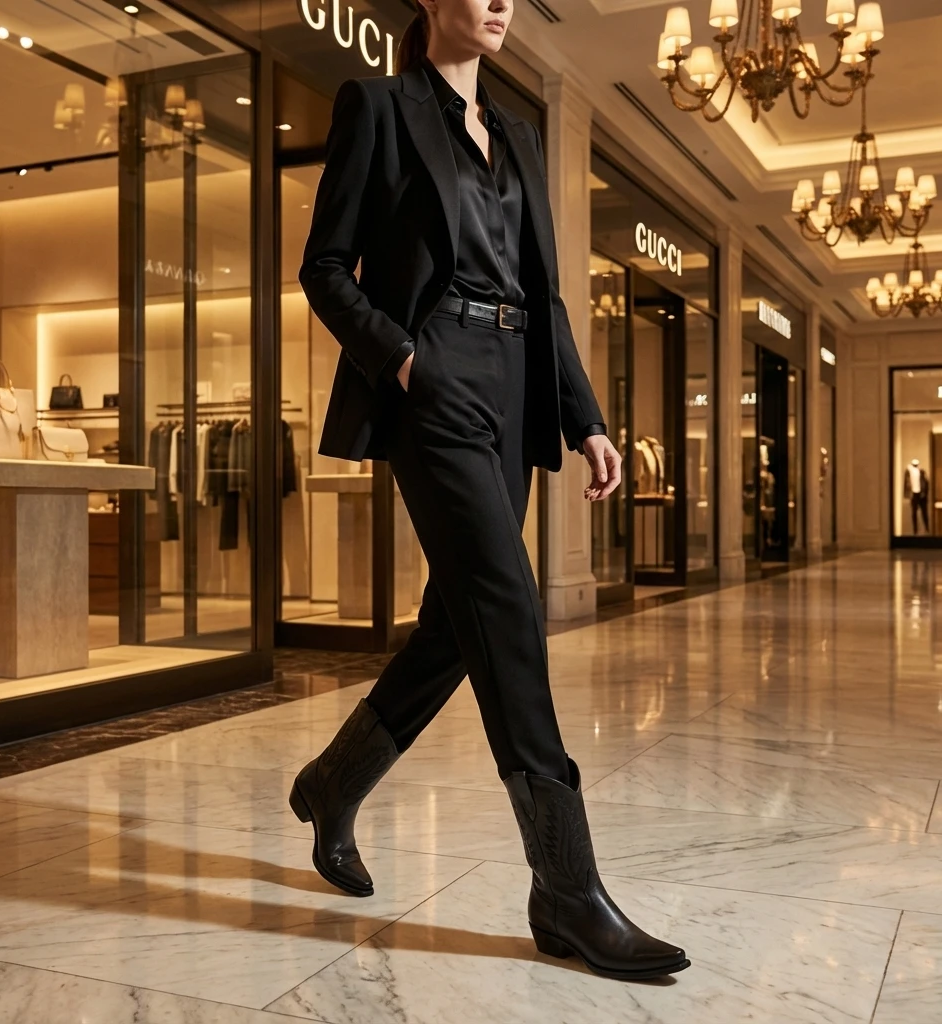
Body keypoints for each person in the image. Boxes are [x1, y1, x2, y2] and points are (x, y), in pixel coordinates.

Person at [292, 0, 689, 982]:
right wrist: (404, 362)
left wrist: (586, 418)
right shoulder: (379, 108)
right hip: (434, 381)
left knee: (455, 623)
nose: (502, 1)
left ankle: (333, 785)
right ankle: (565, 883)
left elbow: (544, 293)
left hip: (513, 388)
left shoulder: (518, 132)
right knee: (508, 607)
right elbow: (325, 269)